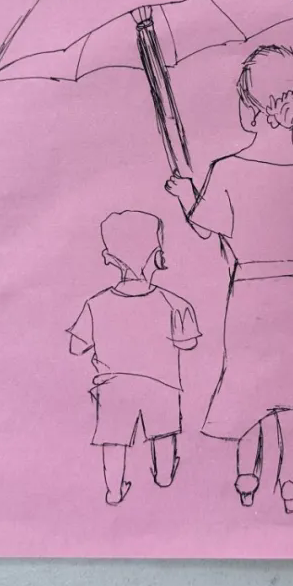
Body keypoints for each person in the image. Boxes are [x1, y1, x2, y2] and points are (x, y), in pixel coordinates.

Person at [165, 45, 293, 514]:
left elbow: (205, 227)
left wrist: (185, 193)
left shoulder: (226, 170)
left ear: (251, 107)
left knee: (249, 386)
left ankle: (246, 475)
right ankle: (289, 479)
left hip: (250, 291)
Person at [67, 211, 201, 506]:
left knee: (113, 439)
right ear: (158, 255)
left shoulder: (96, 303)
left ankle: (114, 490)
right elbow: (189, 342)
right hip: (162, 384)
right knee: (163, 433)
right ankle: (163, 476)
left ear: (109, 258)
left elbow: (76, 347)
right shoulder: (175, 302)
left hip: (114, 385)